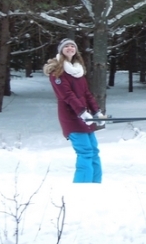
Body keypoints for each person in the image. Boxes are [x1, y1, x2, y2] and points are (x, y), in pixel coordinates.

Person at [43, 39, 106, 183]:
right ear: (61, 50)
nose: (70, 48)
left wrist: (97, 112)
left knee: (94, 152)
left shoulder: (78, 71)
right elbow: (67, 95)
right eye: (66, 46)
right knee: (85, 152)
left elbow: (87, 94)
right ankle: (81, 188)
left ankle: (96, 185)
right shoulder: (57, 72)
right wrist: (82, 112)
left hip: (85, 117)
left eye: (72, 46)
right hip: (71, 118)